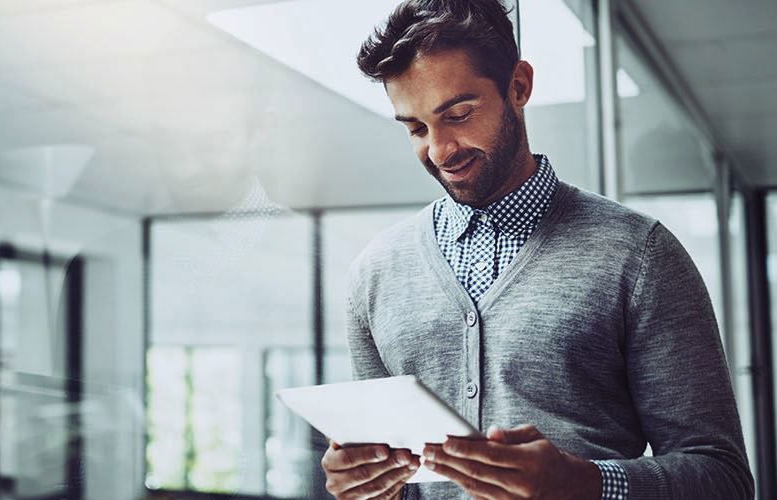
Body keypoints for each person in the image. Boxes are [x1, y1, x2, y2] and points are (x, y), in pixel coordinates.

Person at [320, 1, 753, 499]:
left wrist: (586, 484)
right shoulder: (374, 273)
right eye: (416, 129)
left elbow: (724, 480)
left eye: (458, 114)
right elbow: (388, 477)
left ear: (519, 87)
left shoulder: (639, 256)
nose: (440, 151)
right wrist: (365, 484)